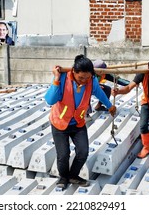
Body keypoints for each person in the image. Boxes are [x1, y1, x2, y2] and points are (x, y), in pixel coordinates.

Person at [45, 55, 116, 190]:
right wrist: (56, 79)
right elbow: (50, 100)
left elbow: (99, 93)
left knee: (83, 151)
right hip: (60, 122)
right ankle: (64, 177)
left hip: (77, 122)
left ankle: (73, 175)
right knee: (63, 154)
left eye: (87, 77)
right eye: (80, 78)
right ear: (74, 72)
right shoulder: (63, 78)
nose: (84, 81)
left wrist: (109, 105)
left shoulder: (91, 81)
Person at [112, 58, 149, 163]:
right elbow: (129, 87)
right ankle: (146, 147)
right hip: (147, 101)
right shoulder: (142, 75)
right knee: (143, 125)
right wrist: (119, 91)